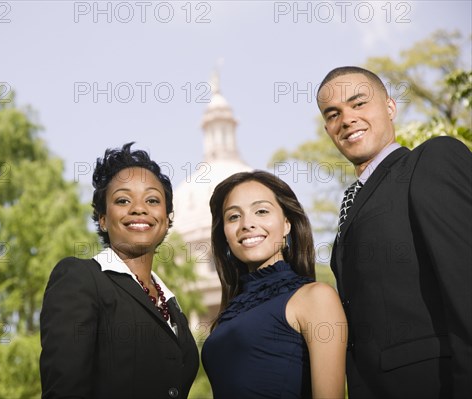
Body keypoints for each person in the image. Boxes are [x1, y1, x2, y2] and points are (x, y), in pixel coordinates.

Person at [316, 66, 472, 398]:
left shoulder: (432, 160)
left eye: (358, 103)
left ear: (390, 107)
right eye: (333, 114)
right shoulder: (350, 206)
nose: (347, 119)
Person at [39, 142, 199, 399]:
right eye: (123, 199)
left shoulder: (173, 309)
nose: (139, 208)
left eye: (152, 200)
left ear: (167, 217)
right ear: (103, 219)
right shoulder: (80, 279)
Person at [201, 170, 347, 398]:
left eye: (261, 211)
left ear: (287, 224)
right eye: (233, 217)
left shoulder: (315, 297)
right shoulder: (228, 314)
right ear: (225, 235)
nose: (247, 224)